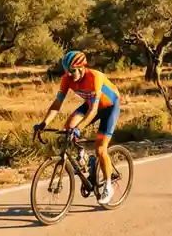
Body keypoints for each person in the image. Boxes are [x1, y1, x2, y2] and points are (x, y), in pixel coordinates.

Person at [35, 50, 121, 205]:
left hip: (109, 107)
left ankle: (108, 185)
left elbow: (94, 110)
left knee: (101, 149)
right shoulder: (67, 79)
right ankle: (83, 156)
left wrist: (79, 128)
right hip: (89, 105)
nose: (69, 74)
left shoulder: (95, 77)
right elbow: (57, 104)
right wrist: (44, 123)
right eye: (67, 71)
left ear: (82, 67)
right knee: (69, 126)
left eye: (72, 70)